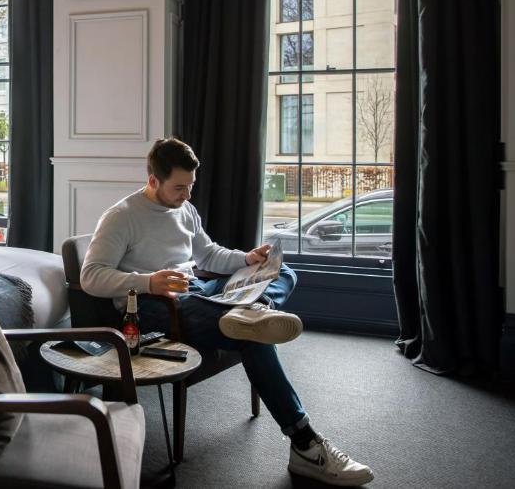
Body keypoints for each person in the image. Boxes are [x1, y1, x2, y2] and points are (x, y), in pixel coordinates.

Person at [80, 137, 374, 486]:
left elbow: (208, 256)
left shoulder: (185, 209)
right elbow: (90, 277)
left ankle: (255, 310)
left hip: (197, 291)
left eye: (190, 187)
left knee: (282, 270)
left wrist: (248, 260)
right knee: (253, 339)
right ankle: (305, 444)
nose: (187, 195)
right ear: (153, 180)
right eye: (179, 187)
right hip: (155, 306)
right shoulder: (122, 217)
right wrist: (149, 282)